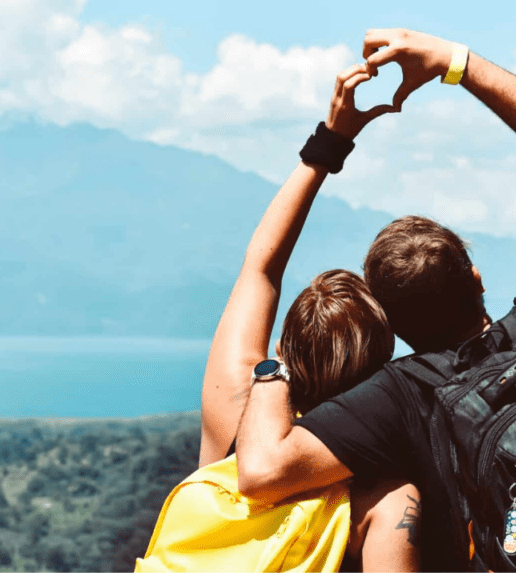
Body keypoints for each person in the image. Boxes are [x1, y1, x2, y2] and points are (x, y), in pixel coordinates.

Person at [234, 28, 516, 571]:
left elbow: (260, 471)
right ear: (477, 278)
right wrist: (451, 61)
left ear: (392, 328)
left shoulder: (402, 395)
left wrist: (276, 367)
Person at [197, 61, 419, 571]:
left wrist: (331, 143)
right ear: (383, 362)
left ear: (281, 349)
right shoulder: (383, 493)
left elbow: (262, 266)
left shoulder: (233, 407)